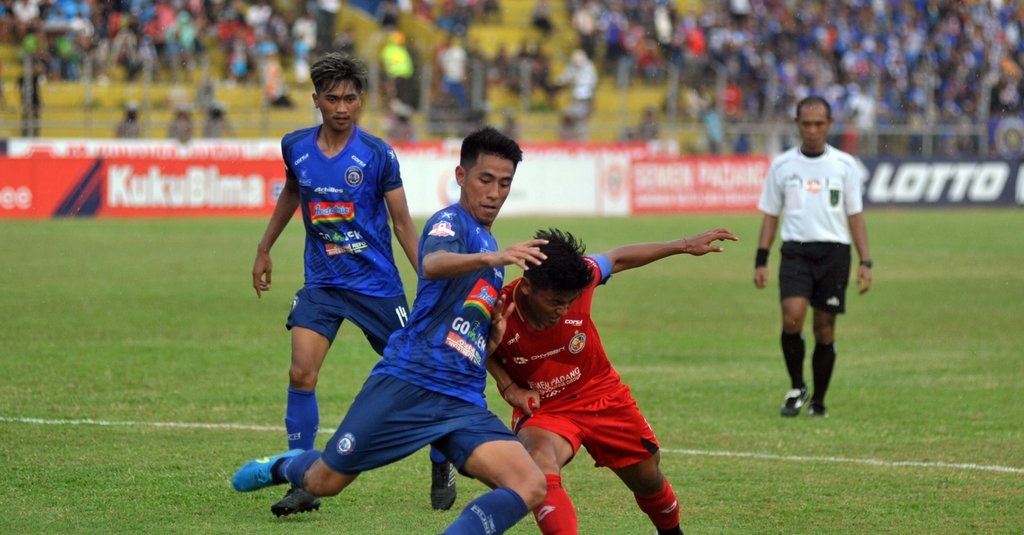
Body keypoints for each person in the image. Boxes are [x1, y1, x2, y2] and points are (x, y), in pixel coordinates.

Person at [234, 126, 550, 535]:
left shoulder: (492, 256)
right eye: (485, 180)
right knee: (322, 482)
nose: (494, 192)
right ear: (461, 176)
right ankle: (283, 465)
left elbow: (465, 329)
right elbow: (432, 264)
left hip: (462, 401)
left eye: (504, 184)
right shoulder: (449, 223)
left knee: (531, 485)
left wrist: (491, 337)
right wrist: (495, 255)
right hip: (407, 383)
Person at [249, 52, 442, 517]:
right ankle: (302, 478)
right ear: (316, 99)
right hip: (323, 283)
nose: (341, 107)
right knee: (301, 373)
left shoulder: (377, 154)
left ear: (361, 101)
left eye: (350, 98)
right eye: (332, 98)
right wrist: (264, 246)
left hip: (377, 286)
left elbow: (402, 225)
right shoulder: (294, 145)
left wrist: (431, 280)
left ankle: (441, 456)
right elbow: (294, 191)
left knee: (422, 373)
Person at [487, 227, 737, 535]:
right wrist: (510, 387)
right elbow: (475, 346)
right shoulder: (497, 307)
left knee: (648, 477)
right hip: (546, 409)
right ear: (526, 287)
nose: (563, 310)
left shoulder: (581, 277)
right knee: (538, 466)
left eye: (569, 302)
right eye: (555, 302)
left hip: (601, 393)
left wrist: (683, 245)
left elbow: (617, 258)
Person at [753, 95, 873, 418]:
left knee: (825, 328)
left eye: (819, 123)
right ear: (797, 124)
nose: (812, 129)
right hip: (795, 251)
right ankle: (797, 387)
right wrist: (761, 259)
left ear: (829, 125)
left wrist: (866, 260)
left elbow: (855, 216)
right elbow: (770, 215)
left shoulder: (845, 166)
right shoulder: (782, 165)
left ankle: (818, 400)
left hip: (835, 252)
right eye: (806, 123)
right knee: (792, 317)